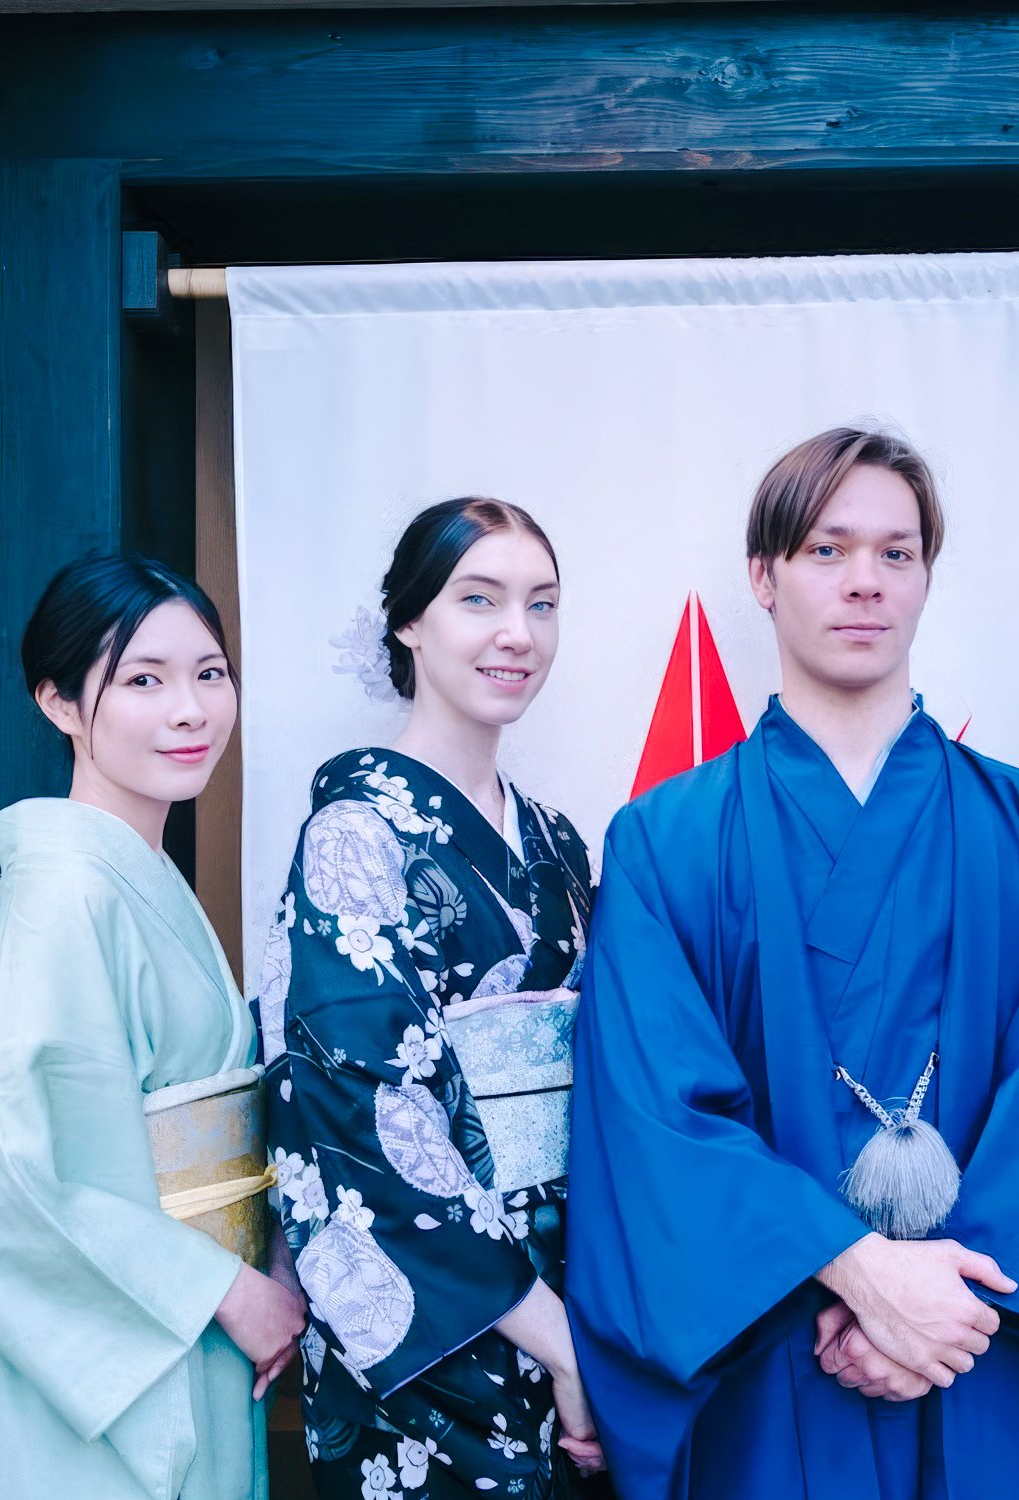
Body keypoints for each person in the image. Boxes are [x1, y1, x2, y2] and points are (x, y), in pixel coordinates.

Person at [567, 429, 1019, 1500]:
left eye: (897, 554)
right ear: (763, 576)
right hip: (770, 1349)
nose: (864, 583)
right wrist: (857, 1271)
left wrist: (933, 1313)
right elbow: (657, 1123)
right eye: (825, 550)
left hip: (984, 1339)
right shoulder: (667, 840)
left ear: (928, 576)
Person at [0, 551, 306, 1500]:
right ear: (58, 702)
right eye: (144, 680)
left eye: (208, 674)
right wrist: (224, 1290)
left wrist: (264, 1268)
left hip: (190, 1322)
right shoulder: (58, 898)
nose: (190, 709)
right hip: (127, 1347)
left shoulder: (130, 878)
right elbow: (10, 1175)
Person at [260, 498, 607, 1498]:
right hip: (444, 1325)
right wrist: (559, 1344)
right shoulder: (354, 837)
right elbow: (363, 1113)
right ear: (408, 621)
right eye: (480, 599)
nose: (519, 633)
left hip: (576, 1285)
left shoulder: (557, 841)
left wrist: (588, 1333)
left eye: (543, 605)